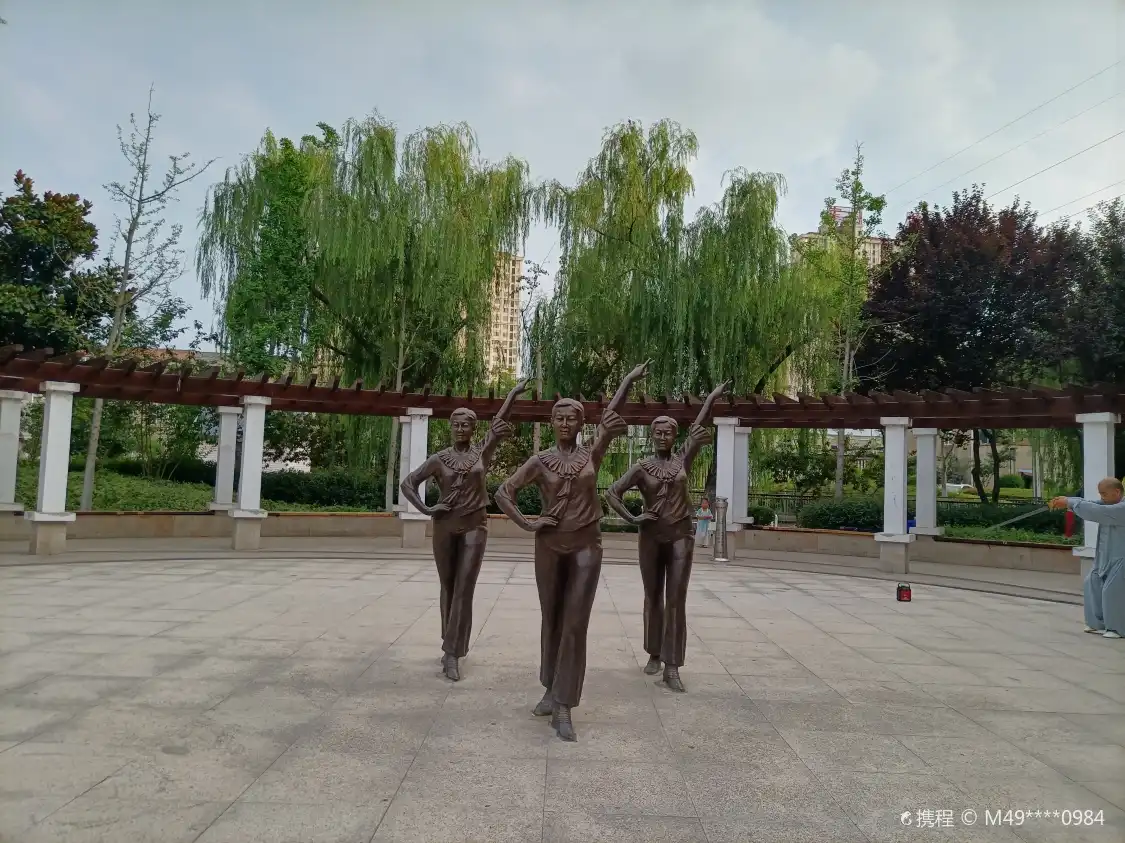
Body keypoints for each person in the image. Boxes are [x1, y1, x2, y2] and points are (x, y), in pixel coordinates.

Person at [495, 361, 648, 742]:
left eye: (573, 418)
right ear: (551, 423)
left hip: (586, 546)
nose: (565, 424)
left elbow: (612, 411)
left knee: (575, 623)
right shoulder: (539, 461)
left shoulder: (591, 455)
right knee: (552, 618)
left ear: (582, 425)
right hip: (549, 545)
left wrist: (627, 378)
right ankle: (549, 686)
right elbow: (502, 492)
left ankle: (564, 704)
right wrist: (530, 523)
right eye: (559, 418)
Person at [400, 379, 530, 681]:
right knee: (448, 586)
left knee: (463, 588)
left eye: (466, 425)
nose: (461, 429)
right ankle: (450, 642)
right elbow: (408, 484)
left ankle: (452, 652)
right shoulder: (438, 459)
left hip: (475, 525)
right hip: (445, 526)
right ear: (450, 427)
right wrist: (427, 509)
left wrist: (511, 395)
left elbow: (500, 421)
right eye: (456, 425)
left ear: (473, 429)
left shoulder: (481, 454)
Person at [604, 381, 728, 693]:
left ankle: (672, 666)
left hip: (681, 535)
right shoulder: (641, 467)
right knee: (653, 597)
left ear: (675, 436)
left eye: (669, 432)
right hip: (650, 537)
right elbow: (611, 492)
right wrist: (633, 518)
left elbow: (699, 423)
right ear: (651, 435)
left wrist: (711, 396)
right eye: (658, 432)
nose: (663, 436)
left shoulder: (682, 460)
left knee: (676, 599)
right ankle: (654, 653)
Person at [1049, 478, 1125, 639]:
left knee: (1113, 591)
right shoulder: (1108, 504)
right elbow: (1092, 504)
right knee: (1092, 583)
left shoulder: (1120, 508)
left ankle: (1118, 628)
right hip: (1104, 557)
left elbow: (1097, 512)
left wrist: (1070, 503)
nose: (1101, 497)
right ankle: (1098, 624)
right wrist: (1067, 501)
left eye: (1104, 493)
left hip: (1121, 558)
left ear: (1117, 492)